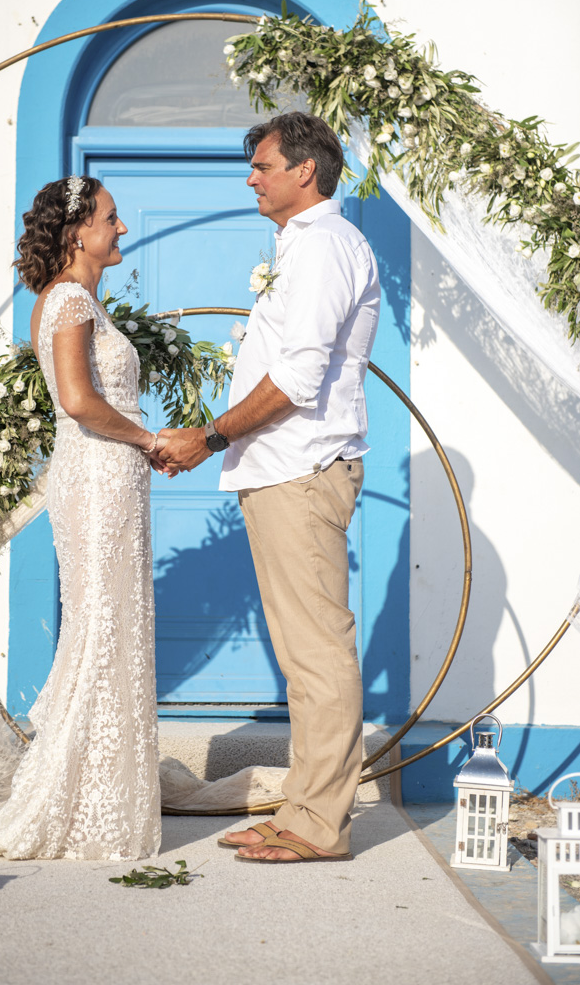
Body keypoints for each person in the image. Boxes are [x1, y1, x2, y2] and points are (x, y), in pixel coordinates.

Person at [158, 112, 380, 863]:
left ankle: (319, 826)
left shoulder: (323, 249)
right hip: (279, 467)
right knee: (302, 655)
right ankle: (301, 810)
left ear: (304, 172)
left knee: (317, 654)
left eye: (261, 165)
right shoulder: (304, 246)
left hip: (300, 466)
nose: (250, 177)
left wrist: (209, 435)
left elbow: (298, 376)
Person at [0, 175, 167, 860]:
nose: (122, 229)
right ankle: (74, 798)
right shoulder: (69, 299)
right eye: (112, 218)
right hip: (98, 473)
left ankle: (99, 793)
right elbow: (81, 402)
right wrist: (150, 440)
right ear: (78, 231)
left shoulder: (74, 299)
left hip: (104, 474)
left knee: (111, 624)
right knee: (103, 626)